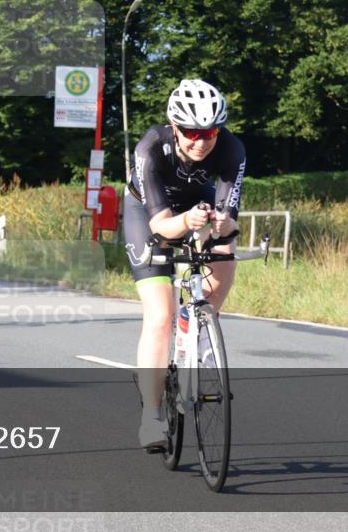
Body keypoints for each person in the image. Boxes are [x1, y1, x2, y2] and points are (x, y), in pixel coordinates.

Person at [124, 79, 245, 449]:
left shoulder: (232, 149)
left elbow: (230, 217)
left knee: (223, 252)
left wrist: (224, 224)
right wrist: (188, 222)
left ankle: (201, 328)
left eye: (209, 131)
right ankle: (153, 415)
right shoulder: (150, 148)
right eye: (191, 131)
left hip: (198, 202)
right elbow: (161, 225)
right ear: (175, 127)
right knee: (160, 316)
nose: (200, 140)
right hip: (147, 214)